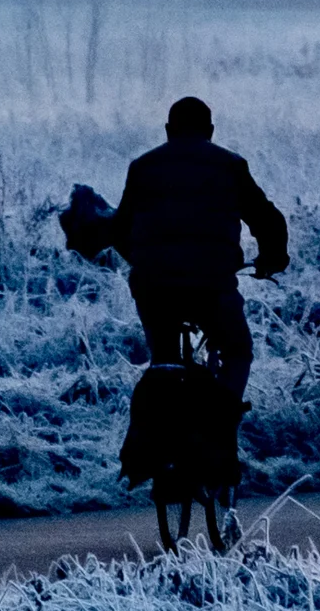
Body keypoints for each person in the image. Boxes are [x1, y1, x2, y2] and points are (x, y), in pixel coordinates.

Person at [111, 94, 287, 404]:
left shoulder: (142, 167)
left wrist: (144, 260)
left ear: (168, 129)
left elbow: (121, 229)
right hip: (212, 285)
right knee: (236, 350)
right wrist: (272, 258)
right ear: (211, 130)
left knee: (163, 356)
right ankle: (225, 418)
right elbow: (267, 219)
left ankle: (161, 403)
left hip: (155, 287)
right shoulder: (231, 165)